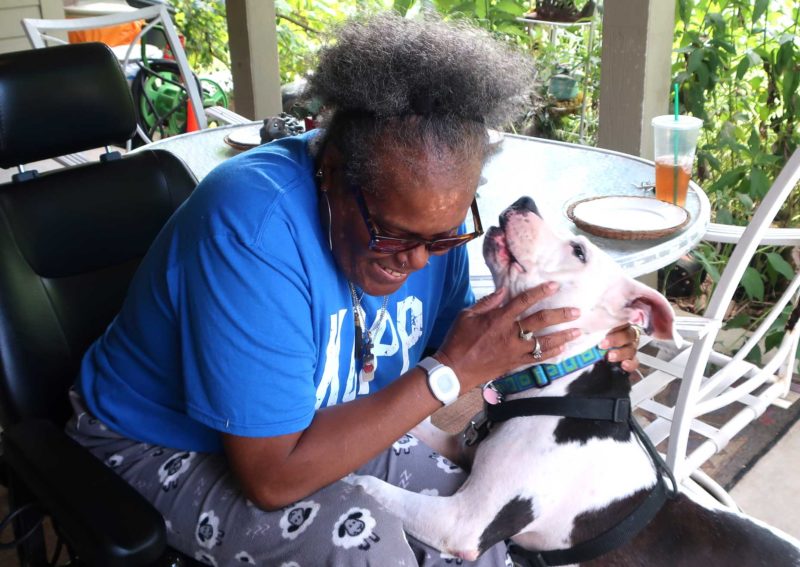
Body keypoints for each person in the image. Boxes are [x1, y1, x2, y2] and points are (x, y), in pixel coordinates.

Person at [67, 11, 640, 566]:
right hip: (155, 446)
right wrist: (453, 371)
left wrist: (569, 355)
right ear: (332, 171)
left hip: (328, 424)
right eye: (393, 233)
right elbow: (272, 478)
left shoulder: (431, 233)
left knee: (472, 530)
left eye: (443, 237)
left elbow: (461, 357)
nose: (417, 260)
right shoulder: (252, 226)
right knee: (366, 546)